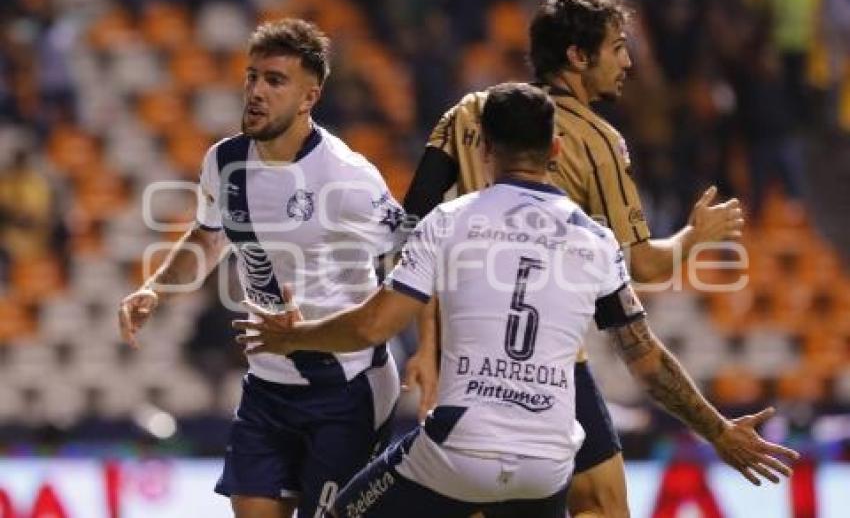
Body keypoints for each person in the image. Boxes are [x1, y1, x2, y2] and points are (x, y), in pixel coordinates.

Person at [233, 83, 799, 518]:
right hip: (549, 464)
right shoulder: (595, 239)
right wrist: (720, 431)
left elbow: (372, 327)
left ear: (483, 148)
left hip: (459, 450)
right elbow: (647, 362)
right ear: (554, 148)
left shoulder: (449, 222)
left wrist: (294, 336)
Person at [401, 0, 746, 518]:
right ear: (578, 57)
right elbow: (641, 265)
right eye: (617, 47)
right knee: (603, 507)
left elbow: (411, 227)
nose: (628, 61)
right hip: (547, 364)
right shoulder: (598, 140)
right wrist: (695, 237)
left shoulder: (468, 111)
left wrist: (426, 344)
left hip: (461, 352)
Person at [118, 18, 405, 518]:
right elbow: (209, 235)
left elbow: (415, 262)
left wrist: (429, 353)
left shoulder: (348, 178)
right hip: (267, 384)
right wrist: (155, 289)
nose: (255, 90)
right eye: (252, 76)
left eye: (275, 80)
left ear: (308, 97)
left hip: (345, 388)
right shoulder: (225, 161)